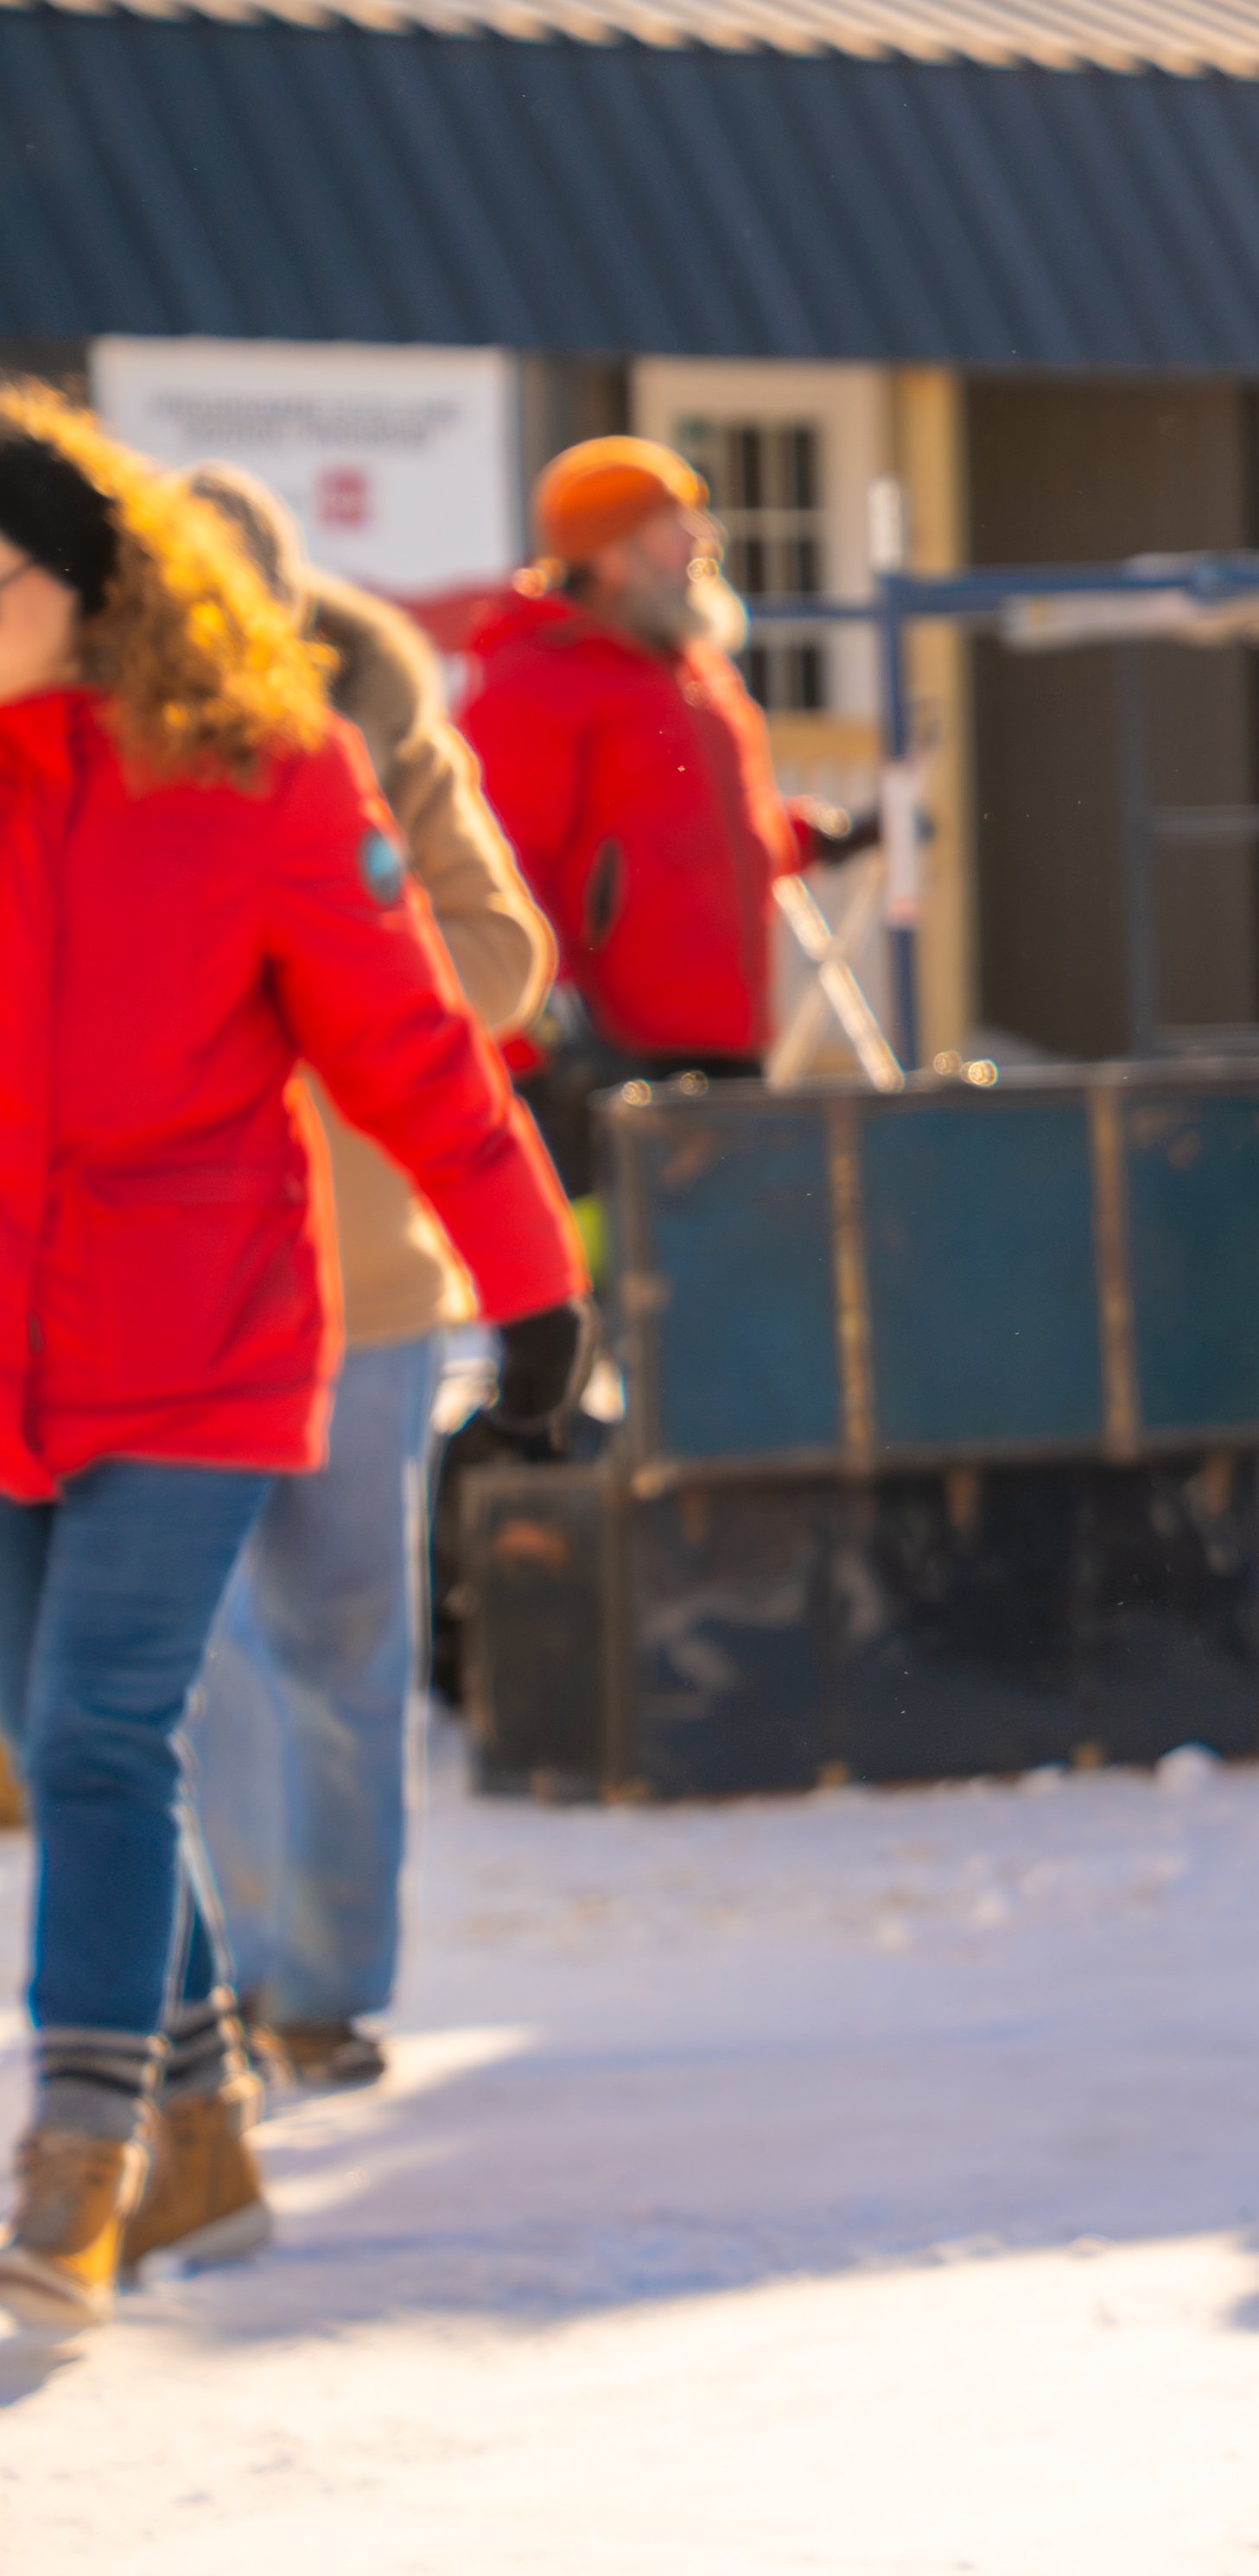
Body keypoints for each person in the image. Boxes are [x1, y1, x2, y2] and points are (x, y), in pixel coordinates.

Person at [0, 390, 580, 2338]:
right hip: (7, 1354)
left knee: (99, 1725)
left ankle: (73, 2146)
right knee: (57, 1734)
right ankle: (203, 2131)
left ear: (94, 591)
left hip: (207, 1332)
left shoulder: (262, 770)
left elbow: (419, 1046)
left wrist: (535, 1284)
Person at [172, 471, 554, 2097]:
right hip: (166, 1275)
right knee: (195, 1652)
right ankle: (238, 1975)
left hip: (367, 1270)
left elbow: (505, 951)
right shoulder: (79, 749)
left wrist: (338, 968)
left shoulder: (388, 726)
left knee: (342, 1633)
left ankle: (320, 1991)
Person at [458, 438, 866, 1163]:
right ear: (613, 553)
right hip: (610, 1065)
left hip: (726, 1041)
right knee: (622, 1270)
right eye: (674, 523)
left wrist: (813, 839)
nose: (703, 541)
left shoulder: (691, 668)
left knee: (728, 1265)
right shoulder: (536, 680)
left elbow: (692, 836)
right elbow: (499, 866)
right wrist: (547, 1029)